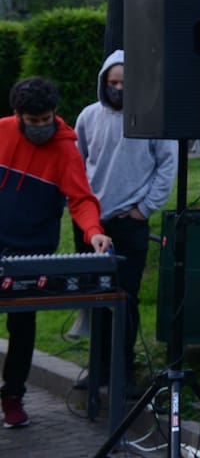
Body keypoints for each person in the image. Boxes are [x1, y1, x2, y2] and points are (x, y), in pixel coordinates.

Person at [0, 77, 112, 429]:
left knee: (22, 325)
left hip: (33, 250)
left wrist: (94, 232)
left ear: (54, 113)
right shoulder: (1, 132)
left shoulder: (65, 149)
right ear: (18, 115)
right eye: (31, 123)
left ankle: (13, 397)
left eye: (45, 120)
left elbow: (81, 199)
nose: (39, 128)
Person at [73, 50, 178, 396]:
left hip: (128, 223)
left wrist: (144, 209)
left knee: (125, 299)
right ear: (104, 82)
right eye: (113, 82)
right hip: (91, 225)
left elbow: (166, 165)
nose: (118, 88)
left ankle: (124, 372)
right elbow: (79, 159)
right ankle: (97, 368)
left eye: (125, 83)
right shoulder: (88, 116)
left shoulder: (153, 117)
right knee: (94, 297)